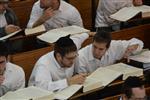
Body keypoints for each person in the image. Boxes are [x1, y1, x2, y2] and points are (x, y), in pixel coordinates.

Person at [75, 30, 144, 73]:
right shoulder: (81, 56)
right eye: (94, 47)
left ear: (108, 47)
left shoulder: (114, 46)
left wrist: (132, 48)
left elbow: (137, 42)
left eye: (101, 49)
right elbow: (81, 77)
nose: (96, 51)